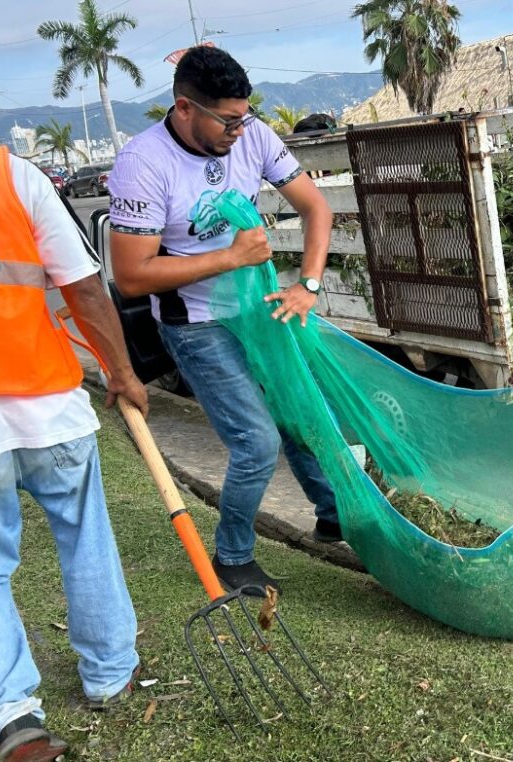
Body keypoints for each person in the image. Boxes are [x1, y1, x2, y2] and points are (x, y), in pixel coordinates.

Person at [0, 48, 146, 761]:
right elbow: (82, 287)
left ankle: (16, 723)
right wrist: (122, 372)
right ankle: (111, 674)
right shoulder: (9, 170)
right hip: (47, 402)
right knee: (86, 535)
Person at [107, 45, 340, 594]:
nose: (241, 129)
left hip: (259, 309)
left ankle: (335, 517)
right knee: (256, 442)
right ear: (186, 108)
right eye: (229, 119)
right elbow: (133, 276)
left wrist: (307, 284)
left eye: (246, 115)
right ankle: (232, 558)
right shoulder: (142, 164)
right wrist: (230, 258)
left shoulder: (253, 133)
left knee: (299, 412)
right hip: (195, 324)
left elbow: (316, 207)